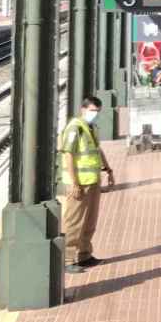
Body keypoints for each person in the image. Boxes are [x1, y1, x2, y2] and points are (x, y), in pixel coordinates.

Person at [59, 96, 114, 275]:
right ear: (83, 109)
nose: (95, 114)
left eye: (97, 111)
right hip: (79, 184)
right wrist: (74, 183)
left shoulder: (91, 128)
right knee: (73, 222)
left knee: (90, 221)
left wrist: (108, 169)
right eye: (92, 110)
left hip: (92, 181)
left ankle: (84, 255)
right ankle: (67, 259)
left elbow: (97, 150)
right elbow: (68, 155)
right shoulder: (75, 128)